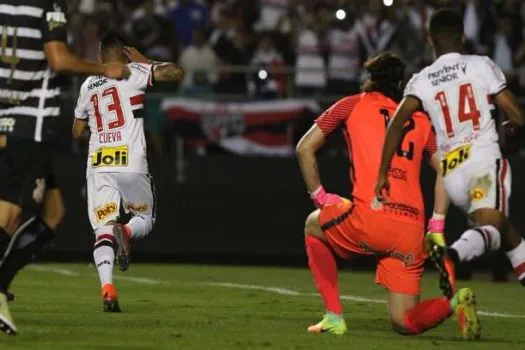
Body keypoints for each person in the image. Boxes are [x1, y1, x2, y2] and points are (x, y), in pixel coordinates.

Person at [296, 52, 480, 340]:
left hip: (370, 218)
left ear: (370, 80)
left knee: (312, 225)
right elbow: (448, 168)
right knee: (404, 321)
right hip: (409, 230)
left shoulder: (351, 105)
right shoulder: (419, 120)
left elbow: (304, 148)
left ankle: (334, 317)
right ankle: (454, 302)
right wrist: (436, 225)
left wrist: (320, 197)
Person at [0, 0, 130, 335]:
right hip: (31, 123)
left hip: (8, 115)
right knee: (10, 213)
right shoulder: (47, 4)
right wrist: (105, 69)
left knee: (53, 212)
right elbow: (57, 59)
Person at [375, 9, 525, 298]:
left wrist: (382, 173)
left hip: (453, 175)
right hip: (482, 162)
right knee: (492, 228)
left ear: (430, 39)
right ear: (462, 36)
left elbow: (395, 126)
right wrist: (514, 126)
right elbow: (516, 114)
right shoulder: (481, 65)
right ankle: (452, 255)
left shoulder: (421, 79)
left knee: (503, 228)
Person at [72, 32, 184, 313]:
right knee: (145, 216)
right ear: (124, 53)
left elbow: (76, 132)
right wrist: (147, 61)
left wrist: (99, 133)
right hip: (131, 160)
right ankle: (126, 230)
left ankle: (107, 289)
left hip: (99, 162)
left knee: (102, 229)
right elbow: (176, 72)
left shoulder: (88, 84)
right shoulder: (134, 72)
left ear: (100, 57)